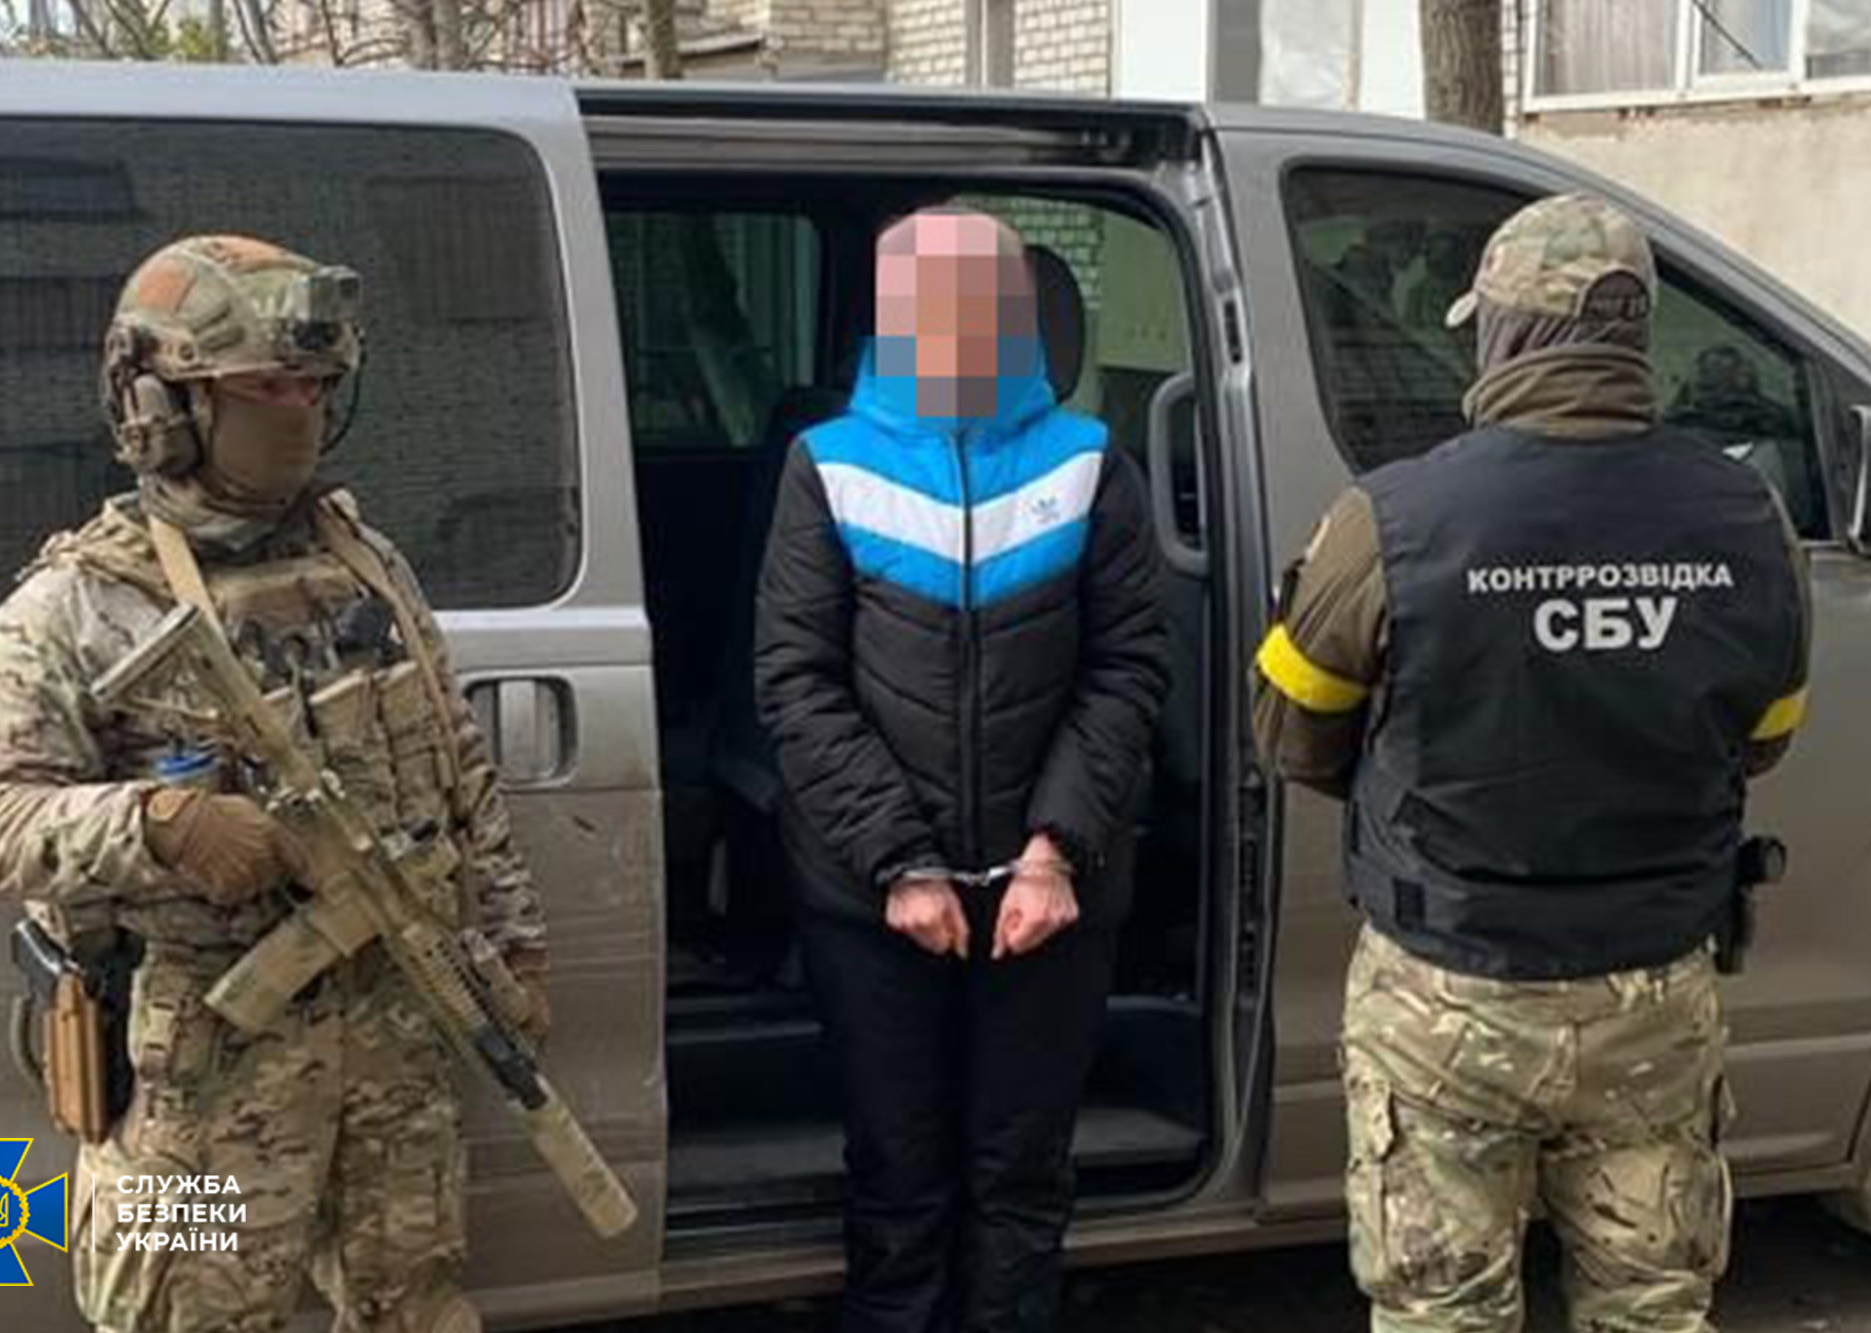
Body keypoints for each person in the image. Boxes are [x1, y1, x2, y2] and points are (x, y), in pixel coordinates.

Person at [0, 235, 549, 1333]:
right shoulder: (77, 604)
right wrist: (158, 821)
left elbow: (458, 767)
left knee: (415, 1306)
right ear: (161, 405)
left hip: (394, 1041)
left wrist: (512, 945)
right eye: (264, 387)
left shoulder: (365, 562)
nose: (298, 411)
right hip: (206, 1075)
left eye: (314, 387)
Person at [1254, 193, 1812, 1333]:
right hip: (1654, 992)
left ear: (1504, 333)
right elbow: (1765, 734)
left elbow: (1290, 729)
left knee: (1442, 1313)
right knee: (1652, 1308)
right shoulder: (1748, 515)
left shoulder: (1392, 517)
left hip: (1449, 990)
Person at [753, 207, 1170, 1333]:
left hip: (1049, 901)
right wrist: (901, 863)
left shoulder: (1088, 463)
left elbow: (1128, 668)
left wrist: (1055, 851)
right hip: (873, 899)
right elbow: (794, 681)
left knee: (1020, 1176)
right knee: (898, 1174)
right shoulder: (826, 464)